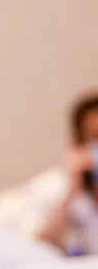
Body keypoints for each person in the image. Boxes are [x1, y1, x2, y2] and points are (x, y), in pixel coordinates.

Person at [35, 92, 98, 255]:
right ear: (78, 143)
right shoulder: (53, 188)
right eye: (96, 137)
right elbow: (39, 248)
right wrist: (73, 190)